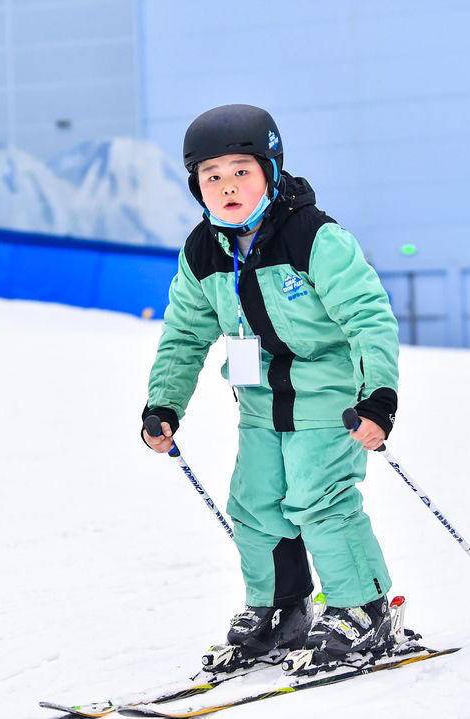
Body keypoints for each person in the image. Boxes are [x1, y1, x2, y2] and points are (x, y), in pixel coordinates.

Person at [141, 104, 400, 667]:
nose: (226, 187)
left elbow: (366, 315)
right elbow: (185, 332)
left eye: (240, 171)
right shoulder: (203, 251)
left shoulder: (313, 236)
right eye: (211, 177)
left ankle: (365, 608)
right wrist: (164, 400)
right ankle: (282, 608)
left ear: (270, 171)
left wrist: (379, 395)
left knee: (318, 496)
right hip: (259, 400)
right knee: (255, 505)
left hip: (330, 397)